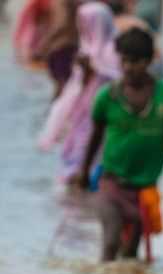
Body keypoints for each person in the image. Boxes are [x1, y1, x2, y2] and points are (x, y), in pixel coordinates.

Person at [77, 27, 163, 262]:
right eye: (124, 60)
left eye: (135, 61)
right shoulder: (107, 97)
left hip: (144, 189)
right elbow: (95, 137)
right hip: (111, 183)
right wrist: (84, 171)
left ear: (148, 62)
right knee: (111, 240)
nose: (127, 67)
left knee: (130, 254)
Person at [39, 1, 121, 184]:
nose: (82, 28)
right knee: (76, 158)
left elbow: (114, 78)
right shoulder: (86, 49)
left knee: (95, 158)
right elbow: (76, 88)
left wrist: (92, 68)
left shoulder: (113, 51)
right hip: (82, 115)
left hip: (102, 116)